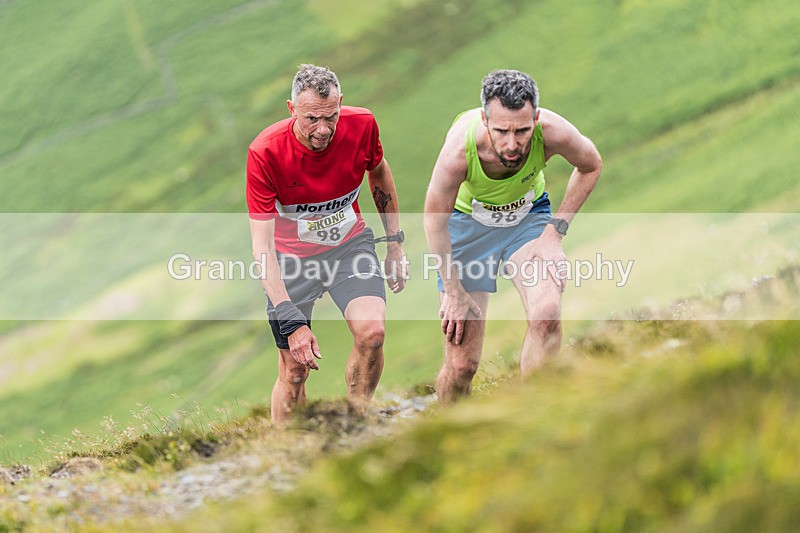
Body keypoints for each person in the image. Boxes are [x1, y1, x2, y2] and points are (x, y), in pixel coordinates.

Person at [424, 69, 602, 403]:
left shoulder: (552, 132)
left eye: (522, 130)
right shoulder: (458, 153)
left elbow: (591, 165)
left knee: (547, 312)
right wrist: (452, 290)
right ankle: (447, 428)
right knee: (463, 365)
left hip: (528, 219)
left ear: (535, 118)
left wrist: (554, 234)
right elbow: (434, 221)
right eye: (501, 131)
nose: (512, 143)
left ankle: (535, 413)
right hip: (467, 229)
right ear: (484, 120)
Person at [247, 64, 406, 421]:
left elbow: (378, 172)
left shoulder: (362, 124)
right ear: (292, 109)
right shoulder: (265, 152)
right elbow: (262, 246)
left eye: (331, 117)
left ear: (341, 104)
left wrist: (394, 245)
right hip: (290, 260)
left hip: (349, 247)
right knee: (294, 371)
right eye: (311, 119)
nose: (323, 130)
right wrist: (289, 317)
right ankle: (288, 455)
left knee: (373, 333)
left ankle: (355, 421)